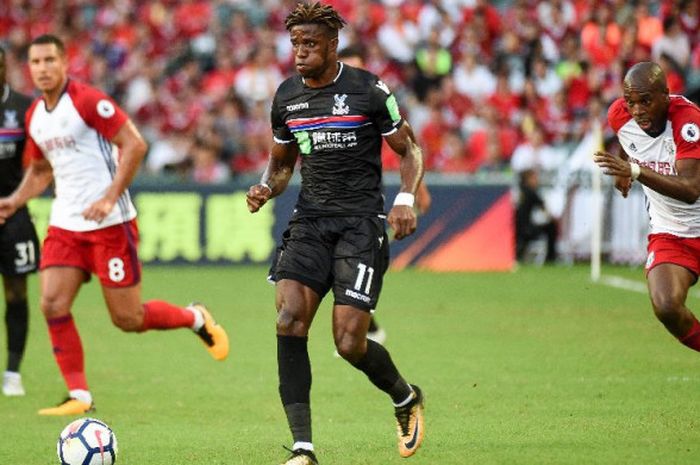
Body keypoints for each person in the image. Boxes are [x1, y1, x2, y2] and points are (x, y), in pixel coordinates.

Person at [0, 34, 229, 416]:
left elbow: (135, 144)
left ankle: (195, 317)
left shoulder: (88, 101)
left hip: (110, 223)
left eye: (48, 61)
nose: (41, 69)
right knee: (52, 303)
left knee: (128, 318)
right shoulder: (35, 115)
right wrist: (16, 199)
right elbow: (40, 171)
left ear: (65, 62)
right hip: (66, 223)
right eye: (35, 62)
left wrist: (109, 195)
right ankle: (79, 395)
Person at [246, 4, 425, 464]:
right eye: (295, 44)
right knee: (288, 319)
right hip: (309, 222)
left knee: (348, 343)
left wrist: (406, 197)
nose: (300, 53)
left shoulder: (368, 89)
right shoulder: (287, 97)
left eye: (309, 44)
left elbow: (409, 150)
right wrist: (268, 186)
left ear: (332, 44)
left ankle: (405, 398)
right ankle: (303, 449)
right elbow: (283, 163)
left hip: (360, 225)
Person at [594, 61, 700, 354]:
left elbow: (691, 189)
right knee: (666, 306)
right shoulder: (620, 116)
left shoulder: (687, 120)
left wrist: (636, 171)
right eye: (631, 102)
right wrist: (621, 168)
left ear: (665, 96)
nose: (637, 110)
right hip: (671, 233)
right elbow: (630, 141)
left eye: (645, 101)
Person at [336, 44, 432, 347]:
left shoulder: (374, 105)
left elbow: (406, 150)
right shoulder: (323, 105)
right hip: (329, 205)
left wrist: (414, 195)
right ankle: (368, 325)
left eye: (357, 68)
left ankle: (366, 326)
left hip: (365, 210)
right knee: (333, 270)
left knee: (349, 269)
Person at [0, 46, 40, 397]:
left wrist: (17, 200)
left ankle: (12, 371)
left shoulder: (24, 107)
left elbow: (41, 162)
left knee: (16, 292)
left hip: (13, 213)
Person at [514, 168, 558, 263]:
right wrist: (553, 218)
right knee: (551, 227)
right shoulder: (531, 192)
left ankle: (519, 254)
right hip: (527, 228)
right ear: (528, 179)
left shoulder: (518, 191)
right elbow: (543, 208)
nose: (537, 180)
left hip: (515, 227)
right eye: (534, 178)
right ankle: (551, 257)